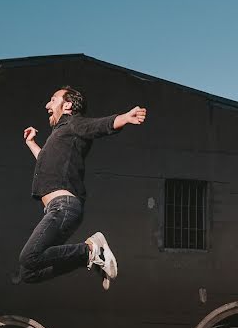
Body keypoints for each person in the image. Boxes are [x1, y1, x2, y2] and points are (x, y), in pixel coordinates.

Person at [19, 87, 147, 289]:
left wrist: (124, 117)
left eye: (52, 100)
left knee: (29, 257)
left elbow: (98, 126)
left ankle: (90, 250)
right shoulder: (61, 135)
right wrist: (31, 143)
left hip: (64, 207)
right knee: (28, 273)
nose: (47, 105)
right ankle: (86, 257)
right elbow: (47, 162)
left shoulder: (73, 123)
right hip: (57, 209)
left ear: (67, 104)